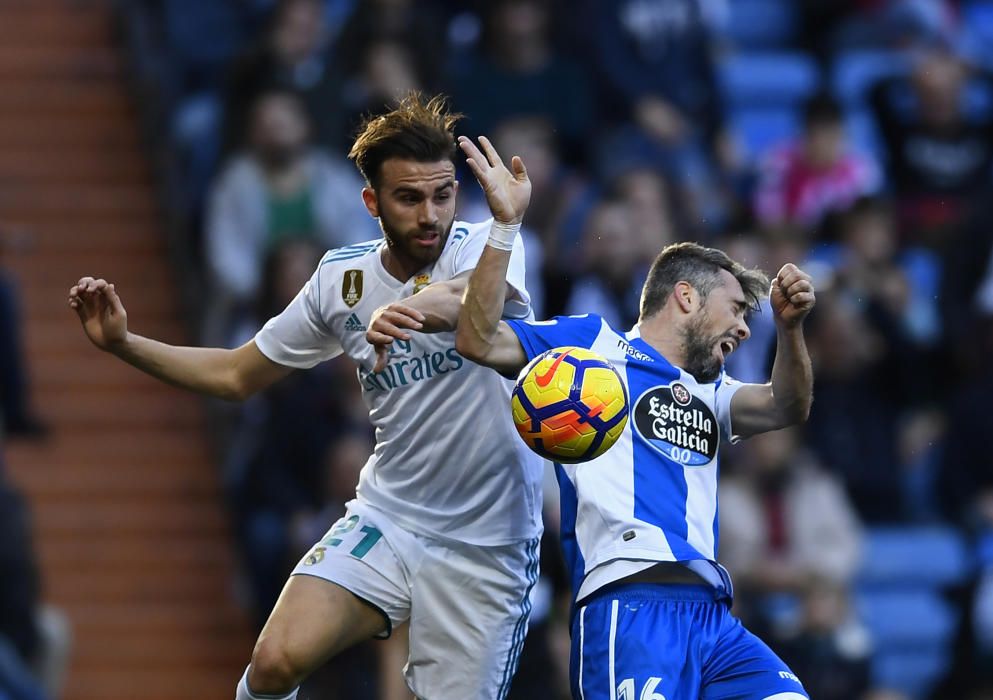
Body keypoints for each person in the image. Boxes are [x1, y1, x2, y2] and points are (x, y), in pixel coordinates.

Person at [68, 94, 544, 700]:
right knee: (272, 663)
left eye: (442, 194)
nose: (430, 215)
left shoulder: (492, 242)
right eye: (409, 198)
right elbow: (236, 375)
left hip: (488, 543)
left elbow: (472, 310)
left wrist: (428, 292)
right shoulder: (340, 281)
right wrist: (124, 344)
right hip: (390, 517)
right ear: (371, 203)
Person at [447, 135, 816, 698]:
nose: (744, 329)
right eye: (736, 309)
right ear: (686, 297)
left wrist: (790, 332)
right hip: (628, 602)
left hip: (713, 619)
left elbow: (788, 405)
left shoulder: (711, 392)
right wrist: (504, 227)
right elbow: (476, 339)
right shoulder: (592, 347)